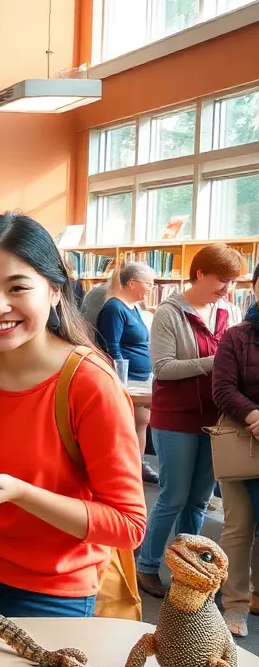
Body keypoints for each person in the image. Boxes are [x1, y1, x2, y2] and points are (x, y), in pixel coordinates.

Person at [0, 213, 145, 617]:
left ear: (55, 290)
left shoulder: (89, 384)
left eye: (18, 287)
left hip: (52, 584)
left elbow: (127, 525)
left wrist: (22, 494)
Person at [137, 243, 245, 598]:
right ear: (199, 273)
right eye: (222, 279)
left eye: (232, 281)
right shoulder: (169, 313)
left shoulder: (228, 309)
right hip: (176, 419)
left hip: (217, 421)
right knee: (173, 496)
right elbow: (163, 368)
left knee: (199, 501)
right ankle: (147, 566)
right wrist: (219, 361)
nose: (227, 288)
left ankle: (188, 570)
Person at [212, 263, 259, 636]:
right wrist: (255, 416)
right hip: (242, 441)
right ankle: (236, 605)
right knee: (238, 527)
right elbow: (223, 388)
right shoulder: (236, 336)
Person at [96, 261, 158, 485]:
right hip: (126, 380)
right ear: (132, 283)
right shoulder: (114, 308)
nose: (151, 288)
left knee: (142, 422)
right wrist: (119, 378)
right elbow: (110, 345)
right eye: (149, 283)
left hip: (142, 377)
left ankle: (137, 466)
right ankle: (120, 471)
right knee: (122, 426)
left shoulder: (136, 309)